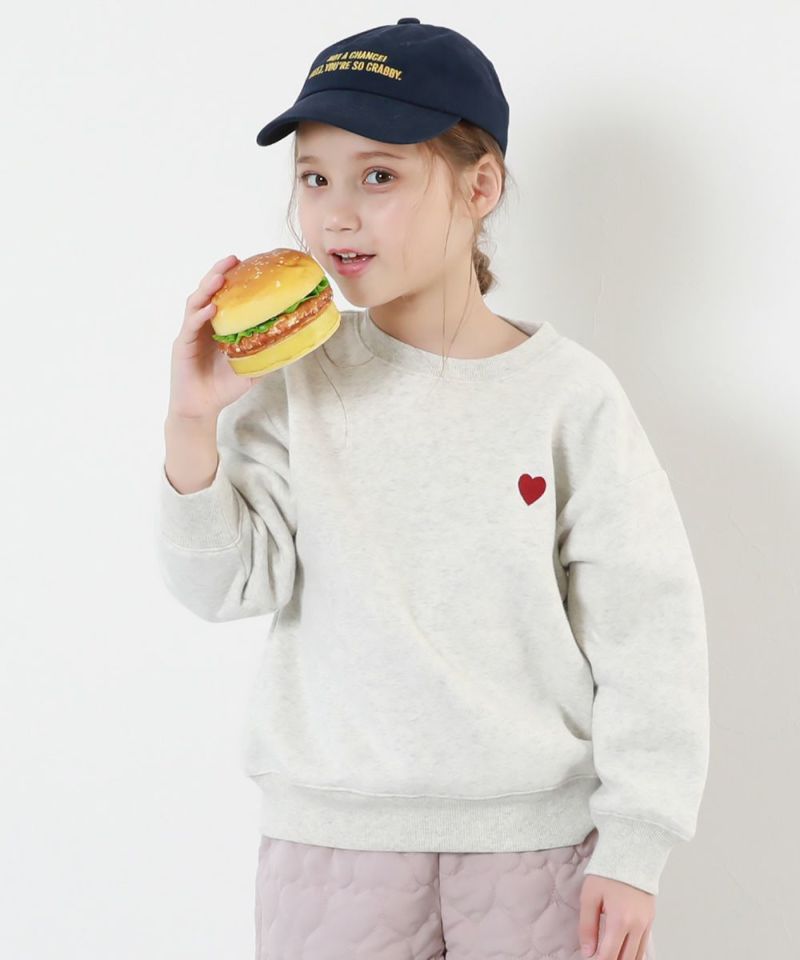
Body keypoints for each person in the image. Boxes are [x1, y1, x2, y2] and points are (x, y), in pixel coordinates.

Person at [155, 17, 709, 960]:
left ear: (479, 186)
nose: (335, 215)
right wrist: (190, 420)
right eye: (313, 178)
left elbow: (649, 630)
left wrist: (637, 844)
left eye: (378, 176)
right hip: (333, 847)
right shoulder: (292, 383)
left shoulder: (570, 396)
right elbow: (226, 587)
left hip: (538, 850)